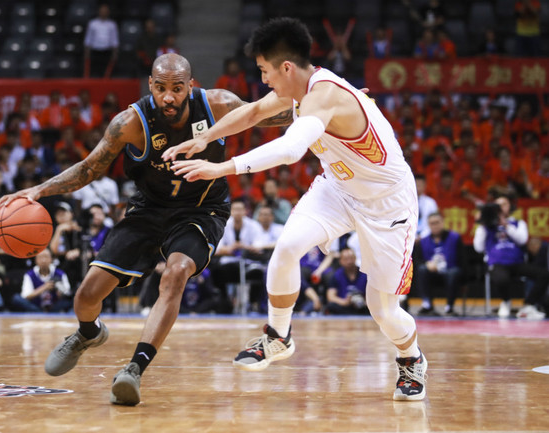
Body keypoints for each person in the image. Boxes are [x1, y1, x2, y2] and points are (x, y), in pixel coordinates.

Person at [166, 18, 427, 401]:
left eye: (265, 71)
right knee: (286, 248)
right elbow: (254, 112)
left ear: (285, 67)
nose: (264, 79)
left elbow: (290, 150)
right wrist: (204, 137)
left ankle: (411, 358)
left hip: (386, 204)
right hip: (337, 188)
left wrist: (221, 167)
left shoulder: (324, 95)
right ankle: (277, 336)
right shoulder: (301, 88)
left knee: (383, 310)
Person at [0, 53, 260, 406]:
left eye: (177, 89)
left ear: (190, 86)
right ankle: (89, 333)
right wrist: (39, 190)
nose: (169, 97)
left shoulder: (219, 104)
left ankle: (134, 369)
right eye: (162, 88)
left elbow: (268, 112)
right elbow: (90, 168)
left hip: (202, 209)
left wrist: (325, 104)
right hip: (148, 210)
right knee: (87, 296)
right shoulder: (130, 123)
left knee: (176, 272)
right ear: (151, 86)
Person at [473, 195, 547, 319]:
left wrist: (506, 225)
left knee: (544, 274)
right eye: (498, 205)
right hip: (497, 263)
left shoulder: (518, 223)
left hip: (516, 263)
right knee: (501, 278)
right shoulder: (487, 226)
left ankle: (528, 305)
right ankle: (506, 301)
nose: (501, 207)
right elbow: (478, 248)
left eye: (504, 204)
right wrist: (483, 225)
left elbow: (522, 240)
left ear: (510, 207)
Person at [414, 212, 464, 316]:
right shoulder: (423, 241)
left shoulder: (455, 238)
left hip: (449, 271)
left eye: (437, 222)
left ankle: (449, 307)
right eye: (432, 223)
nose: (435, 225)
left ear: (443, 222)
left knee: (454, 273)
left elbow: (462, 260)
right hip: (432, 273)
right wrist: (427, 264)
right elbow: (418, 260)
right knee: (422, 269)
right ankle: (427, 305)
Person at [11, 248, 73, 313]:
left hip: (54, 307)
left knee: (73, 300)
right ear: (36, 260)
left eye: (46, 257)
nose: (43, 260)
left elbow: (68, 293)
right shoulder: (29, 275)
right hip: (36, 307)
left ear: (51, 259)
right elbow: (26, 296)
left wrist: (60, 293)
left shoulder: (60, 273)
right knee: (16, 298)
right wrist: (44, 287)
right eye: (40, 257)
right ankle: (40, 313)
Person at [325, 248, 369, 315]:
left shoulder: (365, 275)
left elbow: (372, 295)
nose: (349, 261)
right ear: (340, 261)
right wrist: (344, 302)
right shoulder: (336, 275)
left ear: (355, 258)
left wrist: (363, 302)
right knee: (331, 306)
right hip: (344, 306)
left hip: (362, 307)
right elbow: (330, 297)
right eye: (346, 259)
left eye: (351, 258)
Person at [83, 4, 119, 78]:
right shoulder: (92, 23)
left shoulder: (112, 24)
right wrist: (87, 52)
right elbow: (88, 39)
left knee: (106, 73)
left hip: (106, 51)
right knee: (94, 72)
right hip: (95, 50)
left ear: (108, 12)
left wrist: (115, 53)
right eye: (102, 11)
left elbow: (114, 40)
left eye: (105, 11)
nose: (103, 13)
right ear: (99, 12)